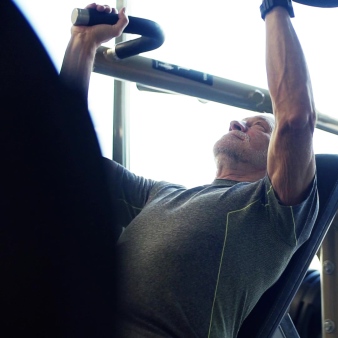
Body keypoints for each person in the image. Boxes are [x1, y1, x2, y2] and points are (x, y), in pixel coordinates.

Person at [60, 2, 318, 337]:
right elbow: (67, 155)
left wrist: (274, 7)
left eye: (261, 126)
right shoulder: (160, 195)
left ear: (278, 156)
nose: (237, 121)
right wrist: (83, 43)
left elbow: (296, 119)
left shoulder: (273, 213)